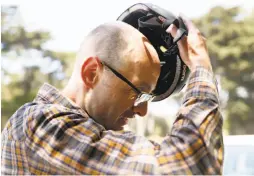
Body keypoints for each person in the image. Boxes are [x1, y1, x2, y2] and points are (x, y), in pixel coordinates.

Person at [1, 15, 223, 175]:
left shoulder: (89, 139)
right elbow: (189, 165)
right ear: (91, 73)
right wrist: (200, 67)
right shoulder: (38, 125)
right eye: (139, 93)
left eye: (148, 98)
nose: (142, 110)